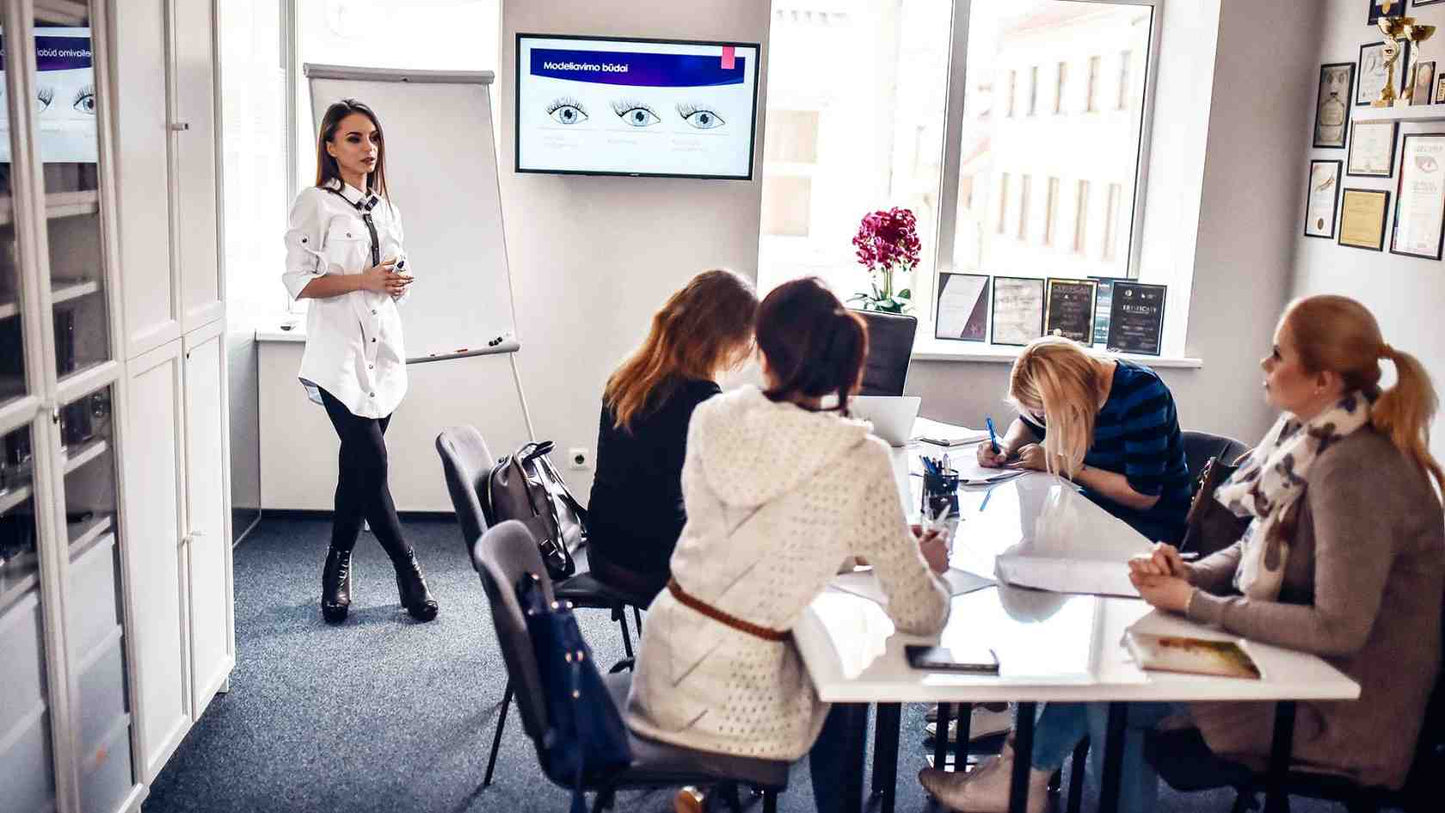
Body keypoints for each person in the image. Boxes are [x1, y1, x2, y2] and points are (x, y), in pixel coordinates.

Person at [920, 295, 1444, 813]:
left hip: (1335, 706)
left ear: (1323, 382)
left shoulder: (1354, 469)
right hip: (1292, 661)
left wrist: (1195, 602)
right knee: (1114, 659)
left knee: (1114, 681)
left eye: (1278, 354)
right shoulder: (1307, 440)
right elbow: (1251, 547)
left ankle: (1020, 778)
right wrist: (1188, 571)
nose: (1264, 364)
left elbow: (1339, 630)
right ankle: (1021, 777)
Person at [624, 277, 951, 813]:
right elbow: (920, 615)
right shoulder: (861, 458)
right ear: (849, 364)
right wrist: (924, 565)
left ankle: (704, 790)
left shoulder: (712, 416)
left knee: (823, 646)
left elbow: (739, 534)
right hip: (743, 705)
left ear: (763, 350)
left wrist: (851, 544)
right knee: (847, 670)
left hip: (665, 670)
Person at [281, 99, 437, 624]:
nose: (368, 148)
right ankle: (407, 567)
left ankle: (337, 564)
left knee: (358, 468)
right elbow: (299, 282)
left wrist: (397, 281)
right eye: (354, 138)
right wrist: (363, 279)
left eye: (373, 138)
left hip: (384, 357)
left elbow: (396, 283)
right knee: (373, 462)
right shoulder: (315, 203)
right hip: (337, 359)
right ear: (330, 146)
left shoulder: (387, 208)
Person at [586, 269, 759, 601]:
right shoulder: (702, 399)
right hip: (649, 564)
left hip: (603, 549)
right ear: (723, 338)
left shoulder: (626, 378)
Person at [979, 336, 1192, 544]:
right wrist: (1005, 447)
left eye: (1045, 414)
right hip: (1095, 506)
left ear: (1070, 395)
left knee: (1044, 554)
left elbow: (1143, 496)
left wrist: (1060, 464)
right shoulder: (1074, 389)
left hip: (1150, 526)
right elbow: (1029, 424)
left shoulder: (1140, 392)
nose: (1043, 420)